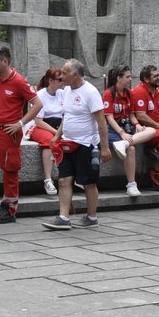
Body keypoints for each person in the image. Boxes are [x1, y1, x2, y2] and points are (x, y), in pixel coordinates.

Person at [41, 59, 110, 231]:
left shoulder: (91, 92)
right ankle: (63, 217)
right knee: (64, 179)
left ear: (76, 75)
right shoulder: (65, 91)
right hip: (67, 143)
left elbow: (101, 122)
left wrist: (105, 147)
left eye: (65, 73)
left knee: (88, 182)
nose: (61, 76)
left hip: (86, 144)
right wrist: (57, 136)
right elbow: (67, 116)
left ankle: (91, 216)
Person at [0, 47, 43, 223]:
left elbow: (38, 104)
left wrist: (20, 123)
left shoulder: (18, 81)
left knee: (10, 169)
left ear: (5, 61)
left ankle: (9, 210)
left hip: (8, 132)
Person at [103, 64, 155, 197]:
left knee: (151, 131)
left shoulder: (129, 93)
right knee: (131, 149)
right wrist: (121, 133)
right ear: (118, 78)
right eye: (127, 77)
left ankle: (125, 143)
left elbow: (131, 114)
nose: (130, 79)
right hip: (113, 130)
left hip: (128, 128)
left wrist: (137, 124)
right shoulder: (109, 93)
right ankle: (132, 184)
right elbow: (109, 118)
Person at [32, 66, 66, 196]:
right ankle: (47, 179)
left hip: (59, 126)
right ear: (51, 80)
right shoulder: (40, 95)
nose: (63, 82)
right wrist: (56, 133)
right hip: (41, 126)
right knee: (48, 141)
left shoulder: (63, 94)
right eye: (60, 80)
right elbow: (38, 121)